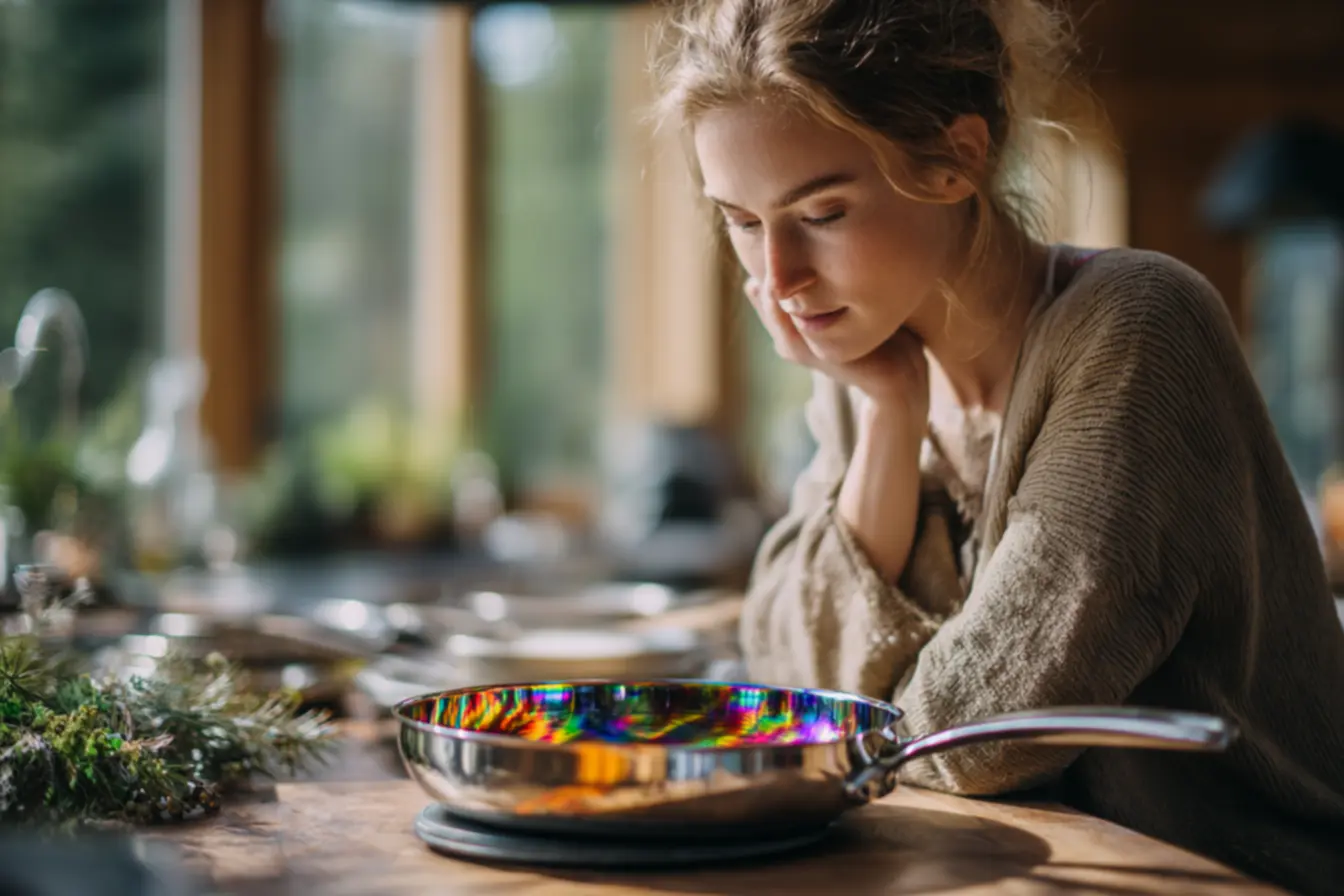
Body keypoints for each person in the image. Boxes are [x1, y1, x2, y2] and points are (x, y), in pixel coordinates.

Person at [655, 1, 1344, 892]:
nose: (777, 282)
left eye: (820, 212)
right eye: (743, 222)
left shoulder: (1136, 327)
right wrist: (891, 412)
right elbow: (783, 661)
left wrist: (850, 717)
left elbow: (982, 733)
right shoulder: (867, 352)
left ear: (955, 159)